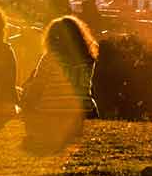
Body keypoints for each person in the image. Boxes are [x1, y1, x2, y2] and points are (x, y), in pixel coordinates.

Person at [20, 15, 99, 146]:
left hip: (51, 113)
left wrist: (26, 107)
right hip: (83, 114)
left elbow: (37, 87)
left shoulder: (50, 58)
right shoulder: (89, 59)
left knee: (29, 87)